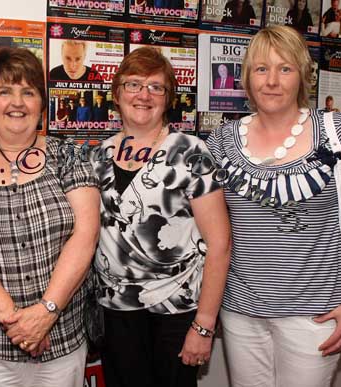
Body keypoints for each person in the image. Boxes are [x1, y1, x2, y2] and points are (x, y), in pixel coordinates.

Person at [205, 25, 341, 387]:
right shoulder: (221, 141)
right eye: (261, 69)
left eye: (284, 68)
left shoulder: (337, 132)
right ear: (246, 77)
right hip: (242, 311)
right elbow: (211, 229)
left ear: (302, 74)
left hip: (316, 315)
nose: (272, 80)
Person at [0, 47, 100, 387]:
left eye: (28, 92)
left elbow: (85, 236)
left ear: (41, 103)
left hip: (62, 342)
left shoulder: (69, 157)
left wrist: (46, 312)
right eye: (4, 91)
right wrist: (19, 322)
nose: (17, 102)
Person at [90, 46, 231, 387]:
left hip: (177, 311)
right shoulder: (97, 156)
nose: (144, 95)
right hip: (115, 310)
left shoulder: (191, 153)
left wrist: (204, 325)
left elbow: (221, 244)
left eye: (156, 87)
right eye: (133, 84)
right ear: (116, 93)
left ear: (168, 99)